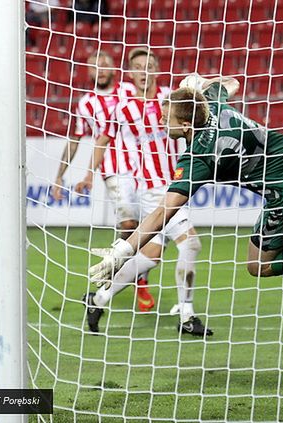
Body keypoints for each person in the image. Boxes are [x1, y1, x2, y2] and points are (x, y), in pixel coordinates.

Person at [88, 73, 283, 389]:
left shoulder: (198, 155)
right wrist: (201, 83)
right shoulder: (212, 104)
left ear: (186, 125)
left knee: (259, 265)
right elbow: (231, 83)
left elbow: (162, 213)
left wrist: (120, 252)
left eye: (166, 116)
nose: (161, 120)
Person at [80, 48, 210, 337]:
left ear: (157, 70)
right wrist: (89, 172)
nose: (143, 71)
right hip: (153, 188)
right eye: (138, 67)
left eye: (149, 66)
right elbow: (103, 139)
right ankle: (187, 315)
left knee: (150, 256)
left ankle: (98, 299)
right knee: (191, 244)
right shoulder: (123, 108)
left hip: (172, 182)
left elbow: (200, 100)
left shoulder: (172, 99)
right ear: (130, 74)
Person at [52, 50, 155, 313]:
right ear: (88, 71)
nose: (101, 68)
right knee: (130, 223)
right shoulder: (86, 104)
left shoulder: (130, 90)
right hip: (113, 168)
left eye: (105, 63)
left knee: (151, 228)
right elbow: (76, 139)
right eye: (95, 65)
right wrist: (59, 175)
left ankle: (125, 270)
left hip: (146, 166)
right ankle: (139, 280)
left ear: (114, 69)